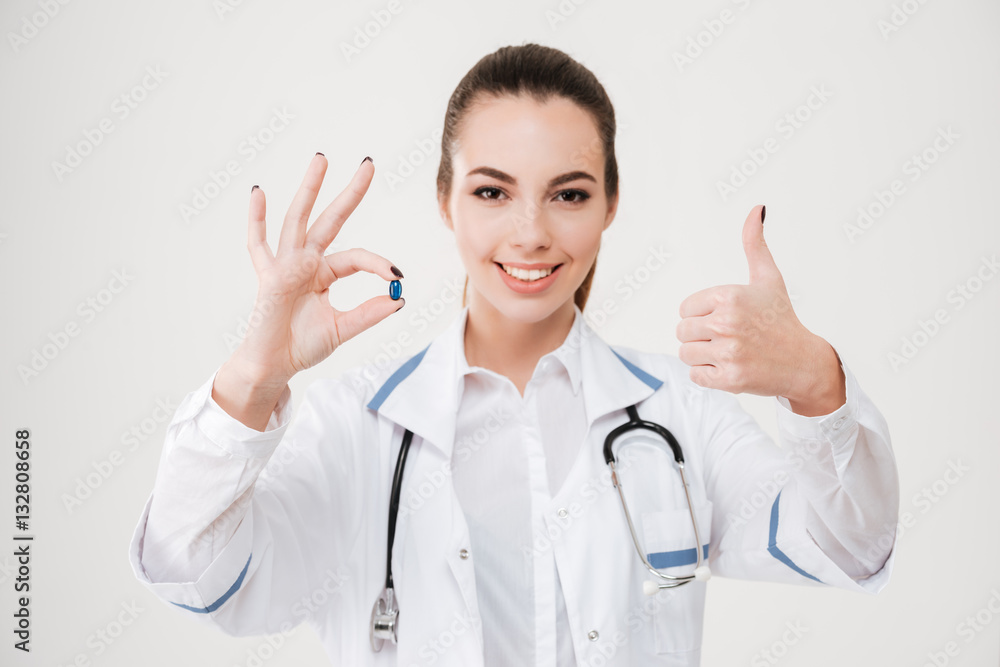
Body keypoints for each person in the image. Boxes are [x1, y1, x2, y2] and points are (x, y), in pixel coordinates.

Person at [129, 43, 899, 666]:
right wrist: (250, 380)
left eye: (568, 194)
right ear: (444, 200)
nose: (531, 232)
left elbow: (851, 546)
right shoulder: (354, 427)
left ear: (610, 205)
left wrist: (814, 381)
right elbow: (198, 579)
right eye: (492, 192)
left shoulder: (679, 411)